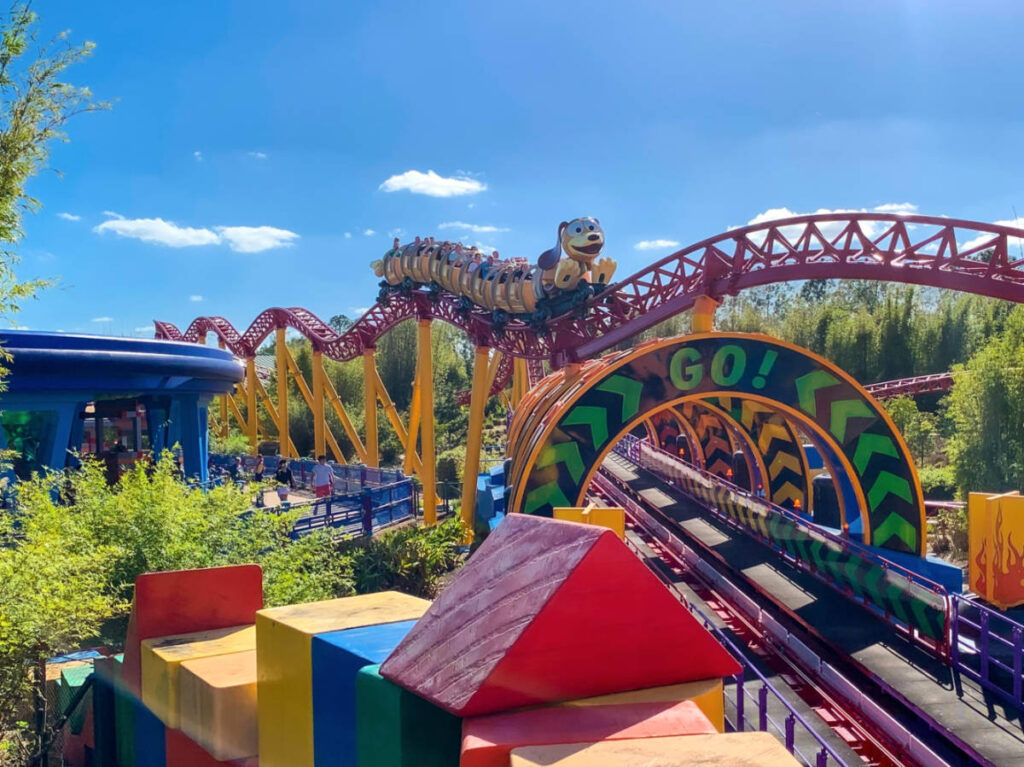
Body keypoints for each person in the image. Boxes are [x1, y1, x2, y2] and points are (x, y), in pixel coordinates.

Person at [311, 455, 335, 522]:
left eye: (324, 460)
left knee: (328, 498)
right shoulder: (316, 467)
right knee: (318, 498)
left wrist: (332, 483)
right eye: (322, 460)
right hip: (319, 485)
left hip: (326, 484)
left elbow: (331, 475)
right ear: (319, 461)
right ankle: (316, 507)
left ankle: (328, 513)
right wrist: (312, 483)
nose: (324, 461)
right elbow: (312, 474)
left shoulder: (328, 467)